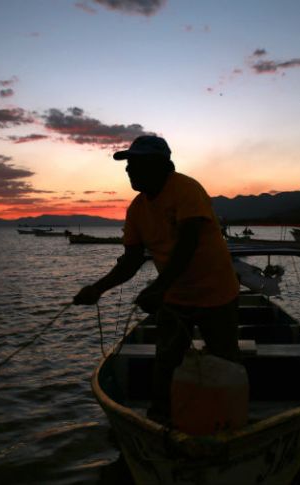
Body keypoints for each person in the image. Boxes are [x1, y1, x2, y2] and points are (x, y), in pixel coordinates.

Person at [73, 135, 241, 423]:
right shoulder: (137, 209)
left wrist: (158, 287)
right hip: (175, 298)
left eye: (135, 163)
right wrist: (97, 289)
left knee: (225, 360)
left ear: (159, 165)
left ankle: (231, 416)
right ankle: (160, 419)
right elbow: (131, 260)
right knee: (165, 361)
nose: (128, 170)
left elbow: (187, 244)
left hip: (216, 294)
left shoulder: (186, 189)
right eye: (128, 164)